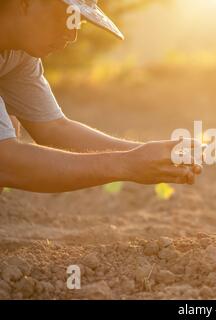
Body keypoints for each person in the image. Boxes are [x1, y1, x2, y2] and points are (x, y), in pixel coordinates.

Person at [0, 0, 202, 193]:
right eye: (66, 16)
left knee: (9, 120)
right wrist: (127, 165)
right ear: (25, 2)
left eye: (79, 22)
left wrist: (145, 154)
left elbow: (53, 128)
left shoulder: (19, 54)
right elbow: (6, 161)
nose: (72, 35)